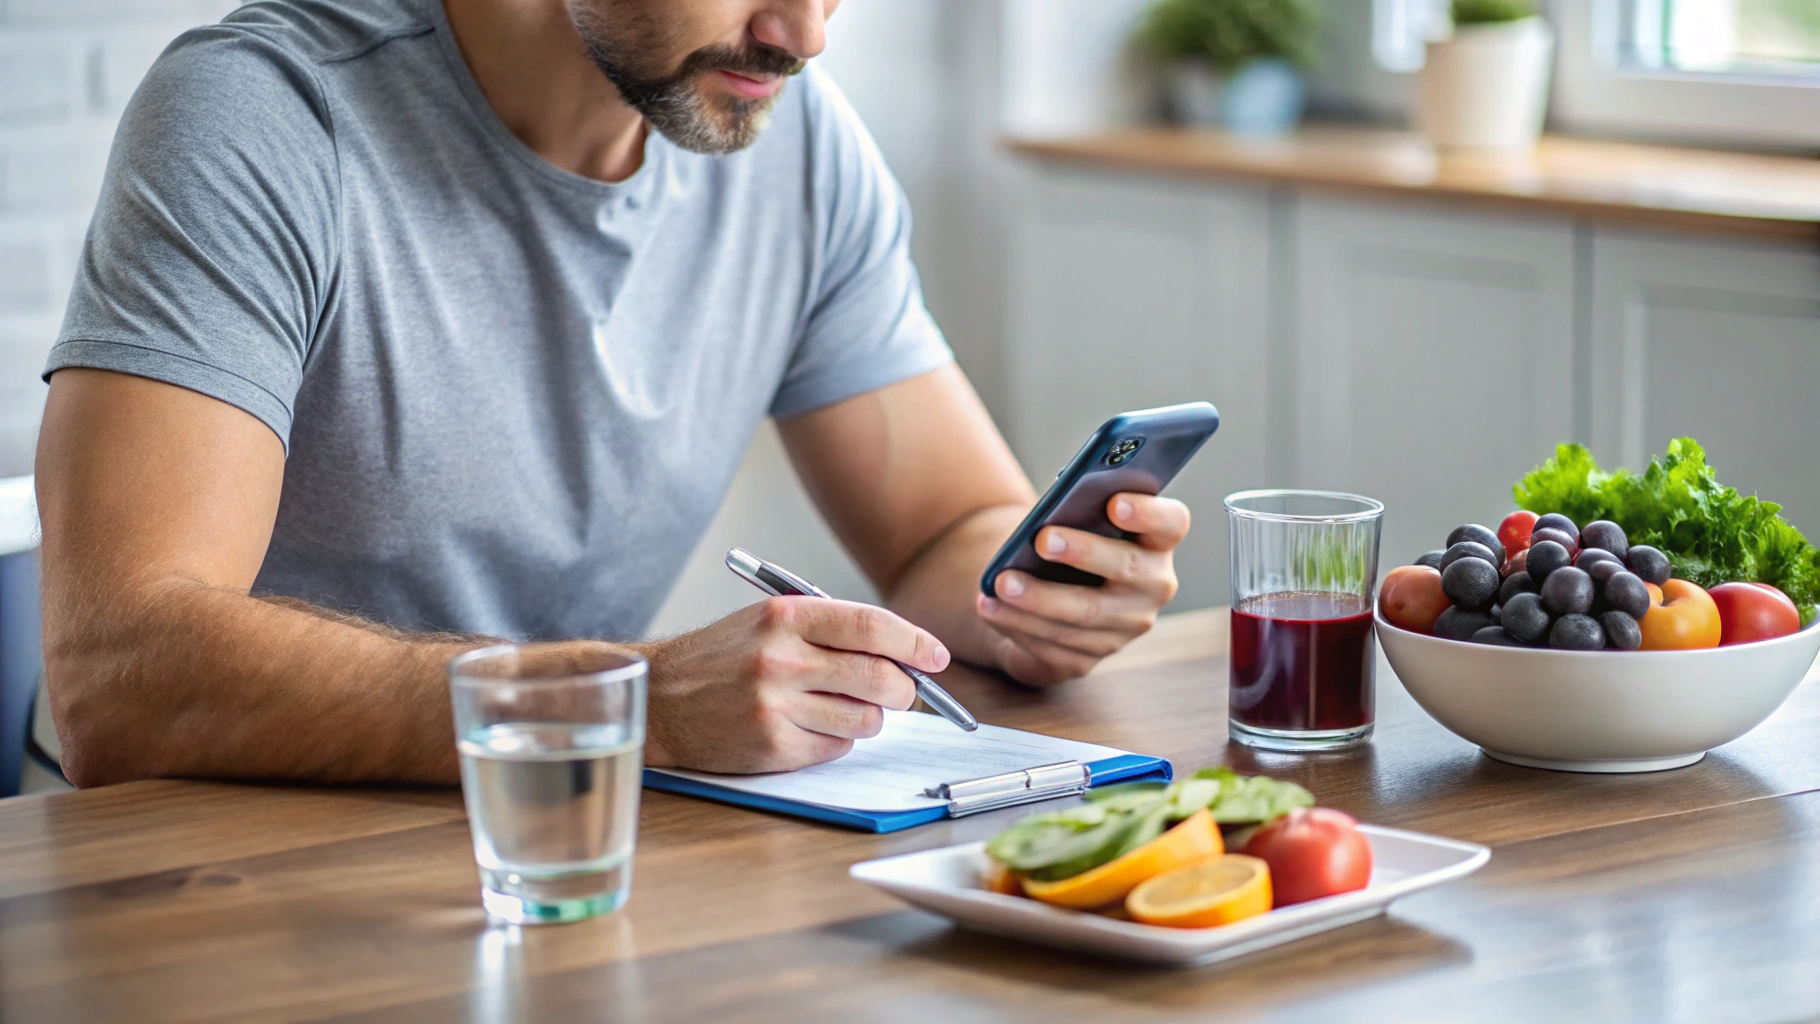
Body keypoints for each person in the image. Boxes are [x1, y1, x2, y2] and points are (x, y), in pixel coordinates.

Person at [34, 0, 1191, 788]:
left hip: (565, 833)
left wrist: (1037, 596)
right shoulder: (265, 118)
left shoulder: (794, 147)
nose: (800, 35)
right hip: (207, 872)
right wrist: (620, 699)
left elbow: (946, 531)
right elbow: (119, 676)